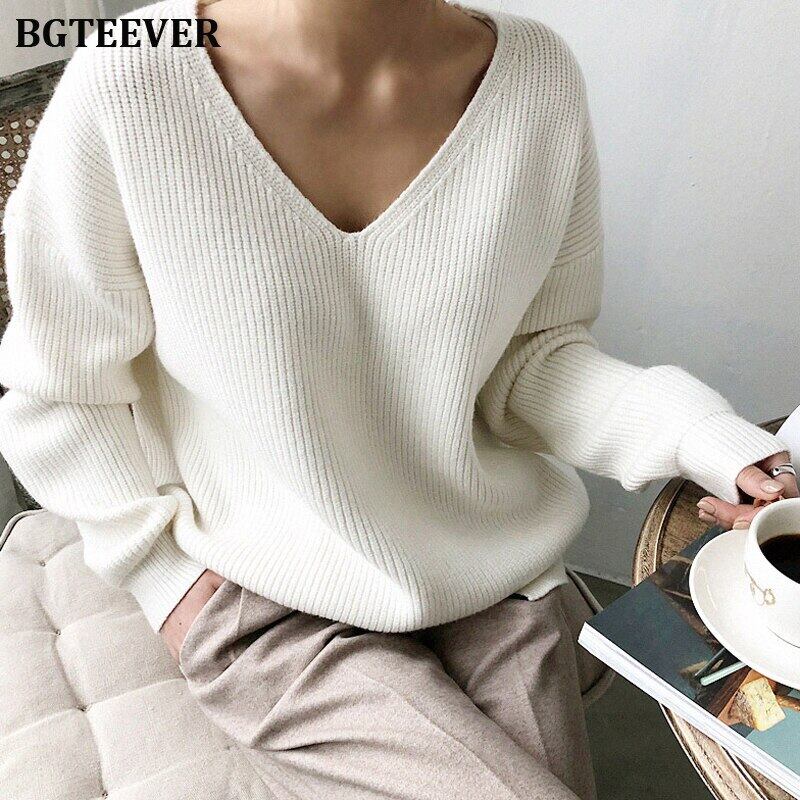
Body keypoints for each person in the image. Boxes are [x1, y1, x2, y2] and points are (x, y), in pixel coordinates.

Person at [0, 0, 795, 797]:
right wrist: (163, 576)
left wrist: (700, 434)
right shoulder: (130, 80)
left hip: (491, 576)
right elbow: (59, 394)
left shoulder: (536, 79)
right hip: (263, 597)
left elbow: (533, 359)